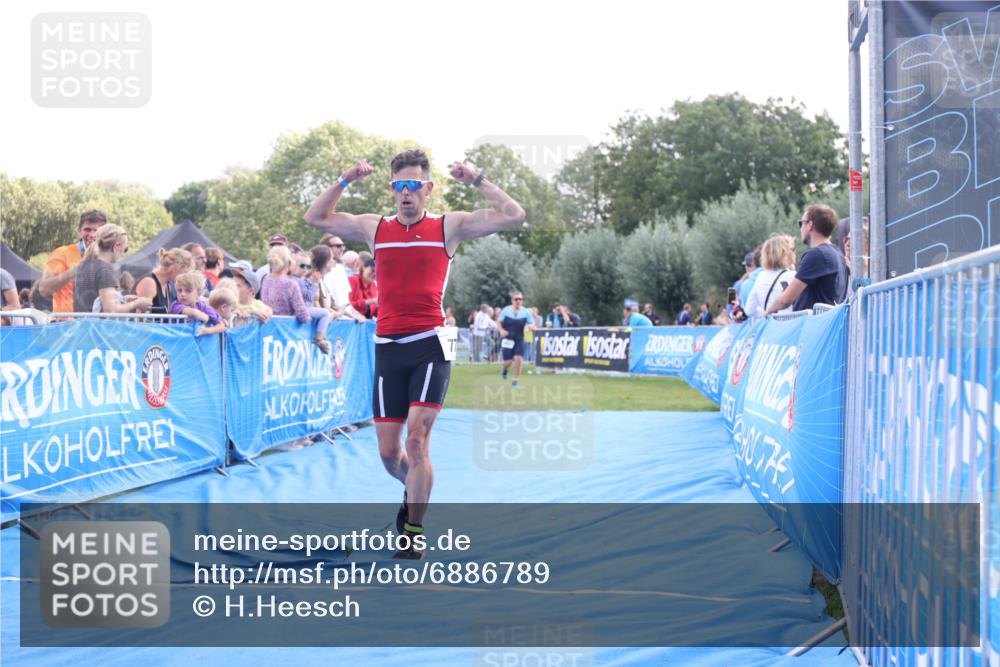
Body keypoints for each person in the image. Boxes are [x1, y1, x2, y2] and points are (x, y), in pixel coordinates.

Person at [304, 149, 525, 559]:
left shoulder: (449, 225)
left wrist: (476, 180)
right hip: (388, 346)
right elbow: (315, 218)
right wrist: (345, 179)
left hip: (431, 343)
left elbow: (513, 214)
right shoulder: (376, 228)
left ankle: (413, 531)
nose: (406, 194)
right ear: (392, 189)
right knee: (390, 454)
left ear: (428, 188)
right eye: (399, 186)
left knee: (418, 439)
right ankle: (415, 491)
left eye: (414, 186)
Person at [765, 204, 848, 315]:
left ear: (809, 225)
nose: (801, 228)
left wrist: (769, 311)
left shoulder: (816, 255)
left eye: (801, 223)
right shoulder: (838, 253)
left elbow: (785, 300)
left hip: (814, 327)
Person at [261, 245, 332, 353]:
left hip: (268, 330)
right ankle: (320, 338)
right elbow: (303, 316)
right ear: (290, 264)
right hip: (286, 335)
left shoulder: (266, 279)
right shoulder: (291, 284)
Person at [73, 224, 152, 314]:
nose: (124, 253)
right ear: (116, 247)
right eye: (125, 249)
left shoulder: (83, 266)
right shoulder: (104, 270)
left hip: (81, 325)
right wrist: (136, 303)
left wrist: (122, 299)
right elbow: (110, 310)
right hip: (97, 327)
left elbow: (93, 301)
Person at [38, 210, 106, 313]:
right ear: (79, 232)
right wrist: (75, 270)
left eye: (96, 230)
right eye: (87, 230)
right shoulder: (62, 252)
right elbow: (44, 289)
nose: (92, 234)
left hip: (97, 324)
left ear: (104, 233)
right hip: (66, 324)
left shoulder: (108, 256)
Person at [745, 234, 797, 319]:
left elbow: (749, 310)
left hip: (770, 327)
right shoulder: (793, 276)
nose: (795, 252)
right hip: (791, 328)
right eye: (793, 249)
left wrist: (767, 311)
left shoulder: (761, 276)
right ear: (784, 253)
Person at [135, 248, 195, 314]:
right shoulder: (149, 282)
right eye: (185, 272)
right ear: (175, 268)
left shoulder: (168, 285)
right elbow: (141, 318)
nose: (185, 277)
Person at [498, 291, 535, 388]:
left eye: (520, 299)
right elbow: (499, 322)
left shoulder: (526, 312)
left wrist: (530, 326)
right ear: (512, 300)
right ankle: (505, 369)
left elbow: (532, 323)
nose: (518, 301)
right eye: (516, 299)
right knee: (508, 362)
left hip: (519, 339)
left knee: (519, 359)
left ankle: (515, 382)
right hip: (508, 339)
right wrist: (501, 330)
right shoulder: (506, 310)